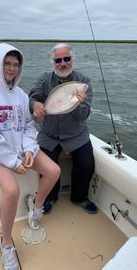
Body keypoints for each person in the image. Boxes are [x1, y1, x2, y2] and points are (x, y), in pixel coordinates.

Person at [0, 43, 60, 270]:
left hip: (19, 147)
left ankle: (36, 208)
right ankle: (6, 242)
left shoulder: (20, 94)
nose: (11, 69)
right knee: (11, 190)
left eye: (16, 65)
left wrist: (28, 149)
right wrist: (11, 161)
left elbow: (28, 125)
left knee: (54, 171)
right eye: (7, 63)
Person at [29, 43, 97, 215]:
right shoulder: (44, 79)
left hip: (77, 135)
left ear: (72, 60)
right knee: (46, 167)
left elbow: (84, 115)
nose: (63, 63)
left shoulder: (84, 82)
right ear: (53, 62)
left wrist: (76, 103)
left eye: (67, 59)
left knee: (87, 164)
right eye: (58, 60)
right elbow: (31, 98)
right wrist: (35, 105)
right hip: (49, 134)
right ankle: (50, 197)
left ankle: (79, 198)